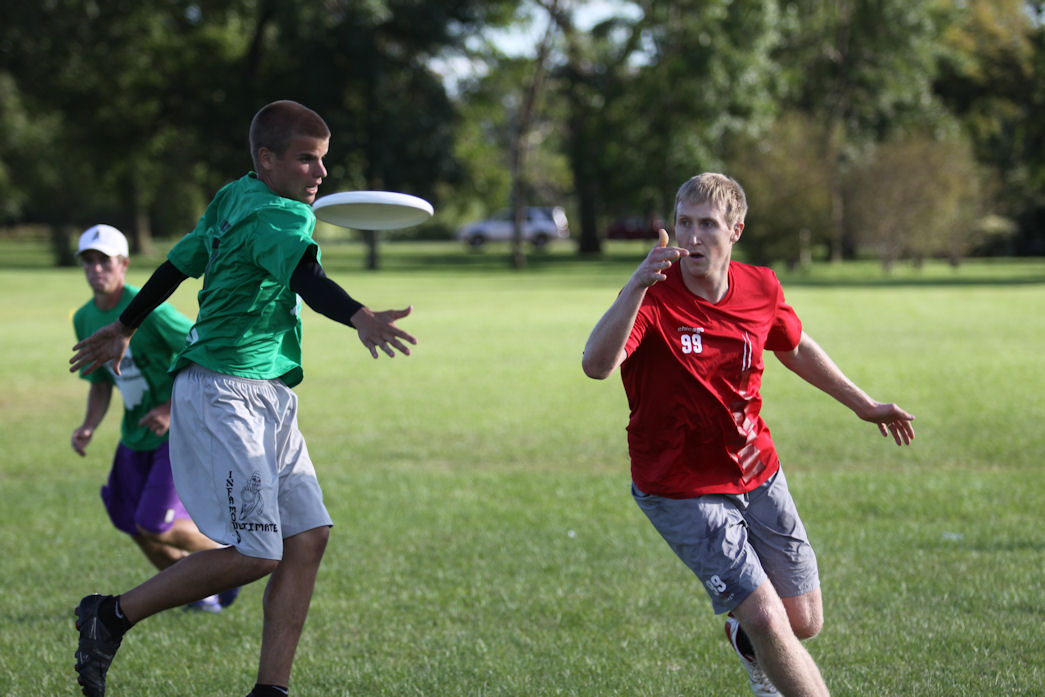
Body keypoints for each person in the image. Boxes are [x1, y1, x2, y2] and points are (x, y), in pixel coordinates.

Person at [69, 100, 417, 697]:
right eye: (306, 159)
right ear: (267, 158)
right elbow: (306, 279)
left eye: (323, 159)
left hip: (267, 392)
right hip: (224, 392)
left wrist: (125, 324)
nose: (320, 173)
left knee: (307, 538)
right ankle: (110, 615)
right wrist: (359, 315)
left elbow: (177, 264)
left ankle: (270, 691)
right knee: (258, 552)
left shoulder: (234, 195)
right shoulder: (280, 215)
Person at [581, 173, 915, 697]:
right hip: (679, 485)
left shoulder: (761, 286)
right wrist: (636, 286)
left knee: (803, 620)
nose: (692, 236)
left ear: (735, 230)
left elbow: (794, 346)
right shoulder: (652, 295)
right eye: (684, 222)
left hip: (757, 469)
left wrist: (864, 405)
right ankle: (758, 638)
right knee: (764, 615)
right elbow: (597, 365)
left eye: (707, 224)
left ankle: (746, 642)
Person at [71, 224, 237, 613]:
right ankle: (201, 595)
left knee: (154, 523)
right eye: (88, 261)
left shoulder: (151, 310)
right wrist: (89, 425)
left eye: (104, 260)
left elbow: (204, 351)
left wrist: (168, 409)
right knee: (131, 522)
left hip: (176, 431)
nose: (96, 269)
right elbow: (100, 382)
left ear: (124, 264)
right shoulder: (84, 318)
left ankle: (241, 557)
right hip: (135, 435)